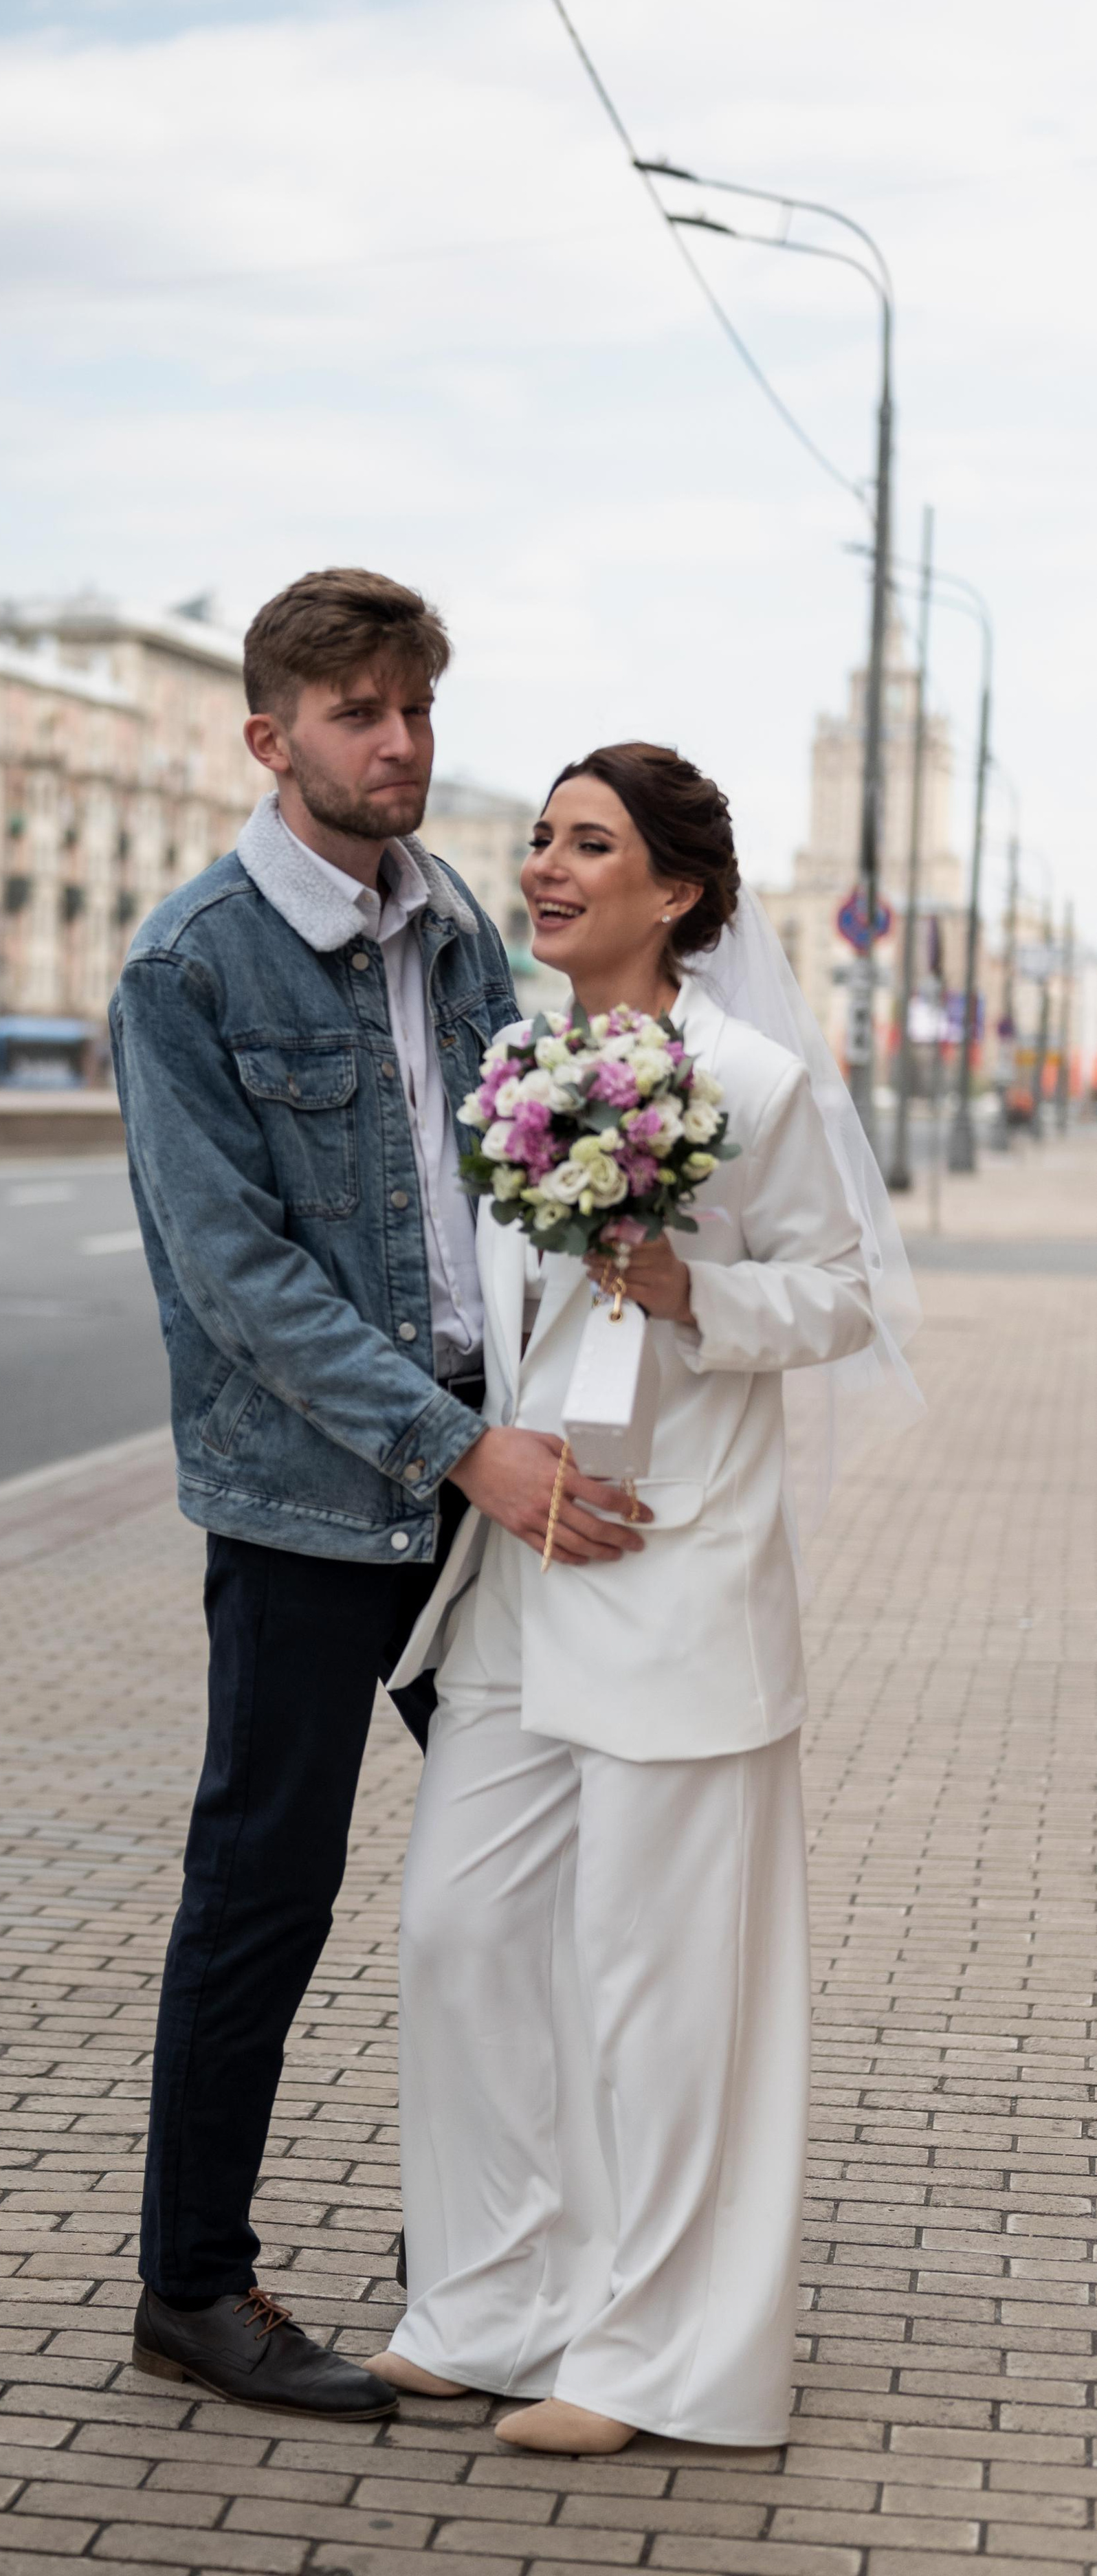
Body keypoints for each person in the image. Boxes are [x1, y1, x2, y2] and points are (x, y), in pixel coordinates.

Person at [109, 573, 645, 2421]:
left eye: (412, 703)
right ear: (271, 739)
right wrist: (456, 1444)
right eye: (354, 709)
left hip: (488, 1473)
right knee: (266, 1884)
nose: (396, 739)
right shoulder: (190, 966)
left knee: (521, 1882)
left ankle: (500, 2261)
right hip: (317, 1502)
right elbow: (236, 1279)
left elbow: (513, 1166)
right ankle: (194, 2285)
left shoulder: (453, 923)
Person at [364, 741, 918, 2453]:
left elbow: (839, 1296)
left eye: (585, 843)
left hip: (675, 1574)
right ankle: (487, 2300)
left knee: (652, 1980)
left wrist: (695, 1288)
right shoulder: (514, 1062)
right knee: (457, 1931)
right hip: (527, 1573)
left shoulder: (750, 1077)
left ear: (671, 891)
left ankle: (651, 2354)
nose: (542, 865)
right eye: (536, 837)